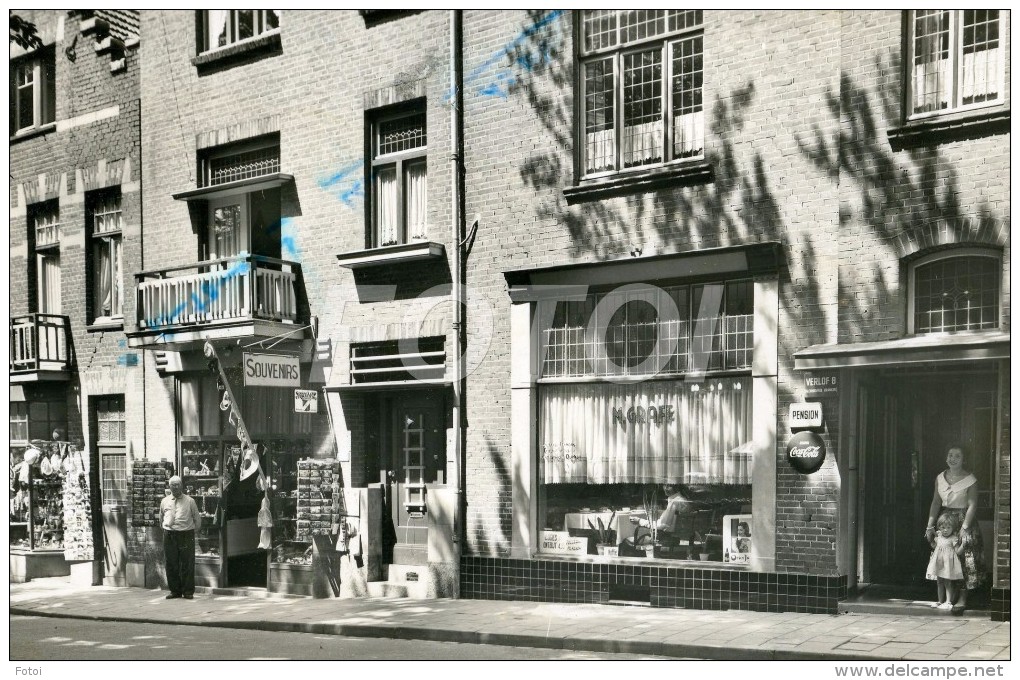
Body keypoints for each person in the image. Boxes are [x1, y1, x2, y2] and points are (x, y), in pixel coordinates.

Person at [924, 446, 986, 612]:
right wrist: (930, 525)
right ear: (946, 458)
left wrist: (965, 528)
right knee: (946, 558)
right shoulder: (940, 478)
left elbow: (973, 505)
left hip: (964, 520)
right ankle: (947, 597)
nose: (953, 458)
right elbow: (936, 502)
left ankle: (962, 599)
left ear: (964, 459)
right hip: (946, 522)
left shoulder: (970, 480)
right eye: (950, 455)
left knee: (964, 559)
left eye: (957, 456)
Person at [161, 475, 200, 600]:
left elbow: (197, 519)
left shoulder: (190, 501)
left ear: (181, 486)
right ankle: (175, 591)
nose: (175, 487)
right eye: (173, 485)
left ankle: (188, 591)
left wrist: (192, 533)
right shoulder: (164, 501)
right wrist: (167, 529)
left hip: (186, 534)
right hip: (170, 534)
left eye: (178, 484)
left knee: (187, 563)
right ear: (169, 486)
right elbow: (161, 517)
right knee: (171, 563)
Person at [926, 512, 965, 610]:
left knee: (948, 582)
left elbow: (958, 552)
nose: (945, 530)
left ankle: (948, 601)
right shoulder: (938, 537)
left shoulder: (953, 538)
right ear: (939, 527)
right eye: (943, 527)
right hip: (939, 563)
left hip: (948, 564)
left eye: (948, 527)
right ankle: (940, 601)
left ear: (953, 528)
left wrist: (963, 545)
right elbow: (934, 546)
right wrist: (930, 539)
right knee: (939, 582)